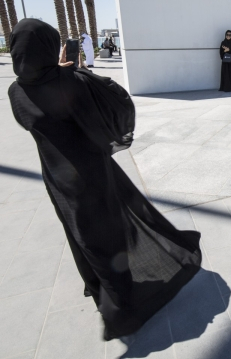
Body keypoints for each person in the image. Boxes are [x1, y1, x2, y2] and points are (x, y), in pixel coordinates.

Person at [7, 19, 202, 341]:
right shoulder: (70, 81)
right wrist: (72, 73)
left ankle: (97, 284)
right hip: (93, 173)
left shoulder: (15, 92)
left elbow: (31, 120)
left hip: (56, 179)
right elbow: (111, 106)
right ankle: (121, 307)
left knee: (80, 233)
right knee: (109, 233)